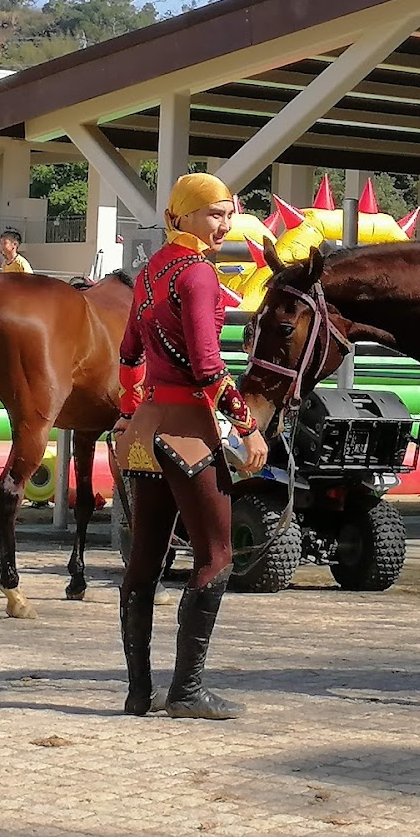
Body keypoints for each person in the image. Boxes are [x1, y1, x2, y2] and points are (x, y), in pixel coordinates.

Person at [111, 172, 268, 720]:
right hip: (189, 433)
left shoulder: (152, 269)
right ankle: (186, 690)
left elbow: (129, 353)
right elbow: (206, 367)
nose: (223, 224)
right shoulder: (199, 272)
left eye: (228, 213)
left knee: (145, 561)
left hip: (147, 430)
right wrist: (246, 425)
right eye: (213, 214)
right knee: (216, 557)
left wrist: (130, 414)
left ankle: (138, 691)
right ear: (182, 215)